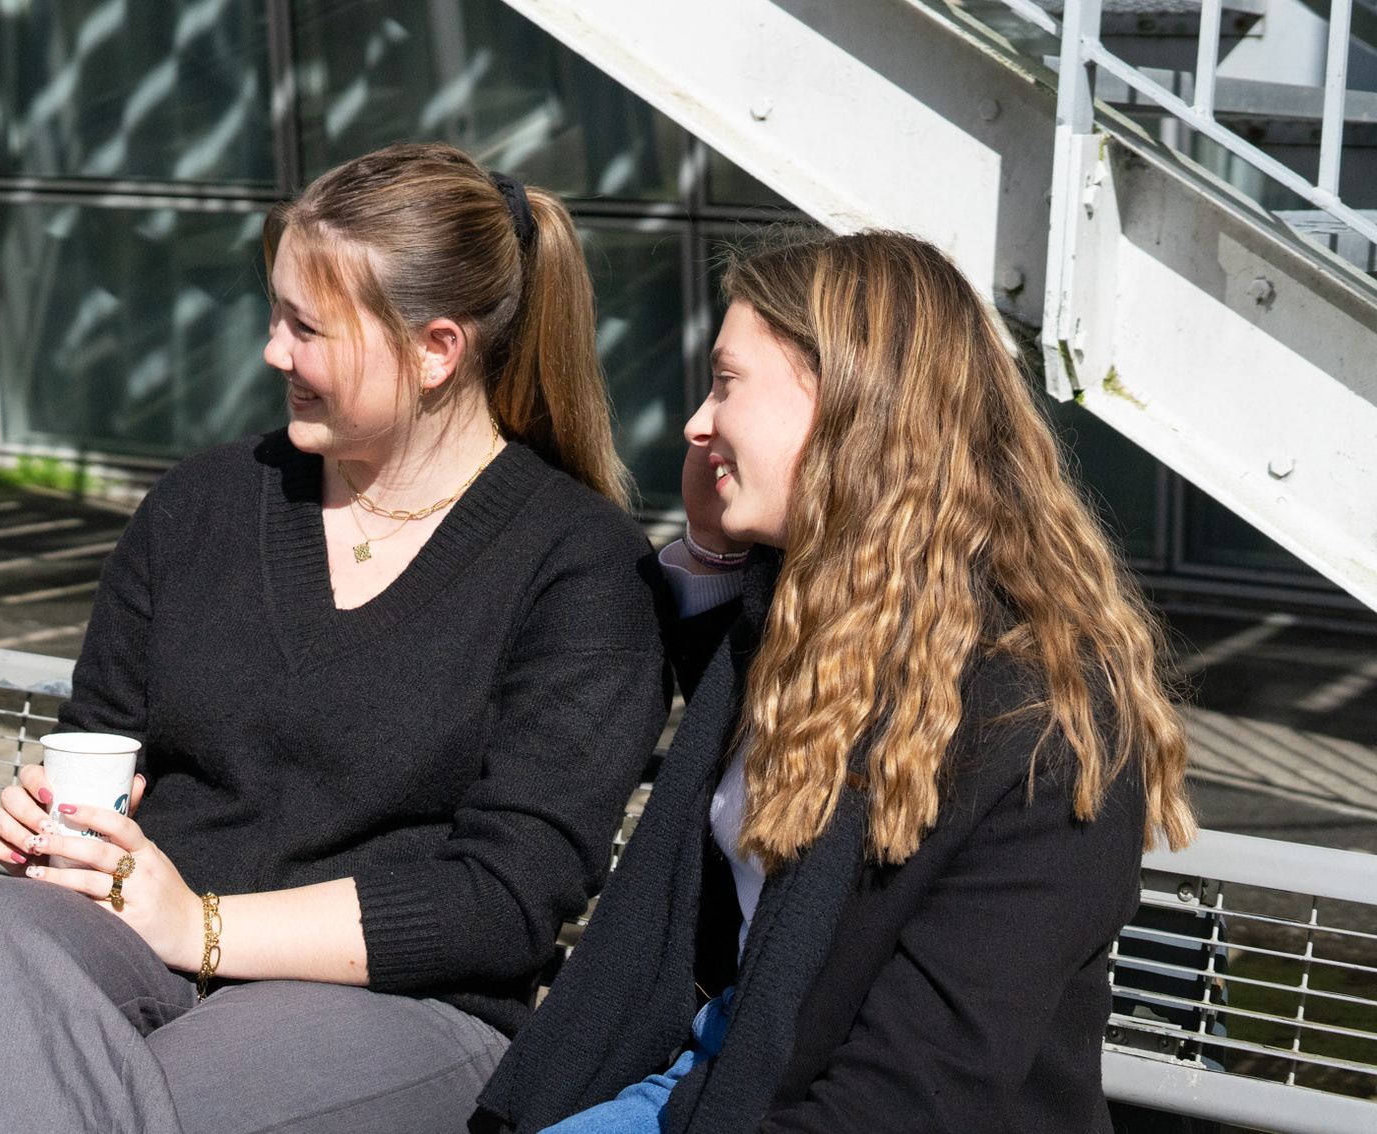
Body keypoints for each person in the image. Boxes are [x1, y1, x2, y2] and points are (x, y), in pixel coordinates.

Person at [0, 143, 670, 1134]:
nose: (272, 351)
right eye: (275, 313)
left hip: (400, 1004)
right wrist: (50, 827)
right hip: (144, 942)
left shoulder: (579, 566)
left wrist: (205, 925)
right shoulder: (201, 506)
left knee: (135, 1098)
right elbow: (103, 738)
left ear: (435, 350)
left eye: (308, 328)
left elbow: (498, 902)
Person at [474, 231, 1196, 1134]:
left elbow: (911, 1099)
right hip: (712, 1076)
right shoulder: (817, 619)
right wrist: (709, 544)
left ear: (849, 406)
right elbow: (722, 723)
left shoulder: (1046, 729)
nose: (698, 423)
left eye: (728, 383)